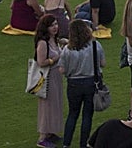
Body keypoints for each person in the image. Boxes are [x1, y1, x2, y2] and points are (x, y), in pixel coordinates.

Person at [58, 19, 105, 148]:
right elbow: (103, 64)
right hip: (91, 82)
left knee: (72, 114)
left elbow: (62, 70)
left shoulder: (67, 49)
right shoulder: (95, 45)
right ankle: (83, 144)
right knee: (87, 115)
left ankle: (66, 144)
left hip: (74, 84)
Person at [35, 14, 65, 148]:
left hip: (56, 76)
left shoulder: (54, 40)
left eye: (56, 24)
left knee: (55, 104)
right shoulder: (43, 43)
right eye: (52, 25)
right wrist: (56, 58)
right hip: (47, 77)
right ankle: (42, 137)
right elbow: (41, 62)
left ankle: (51, 132)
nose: (55, 27)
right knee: (47, 106)